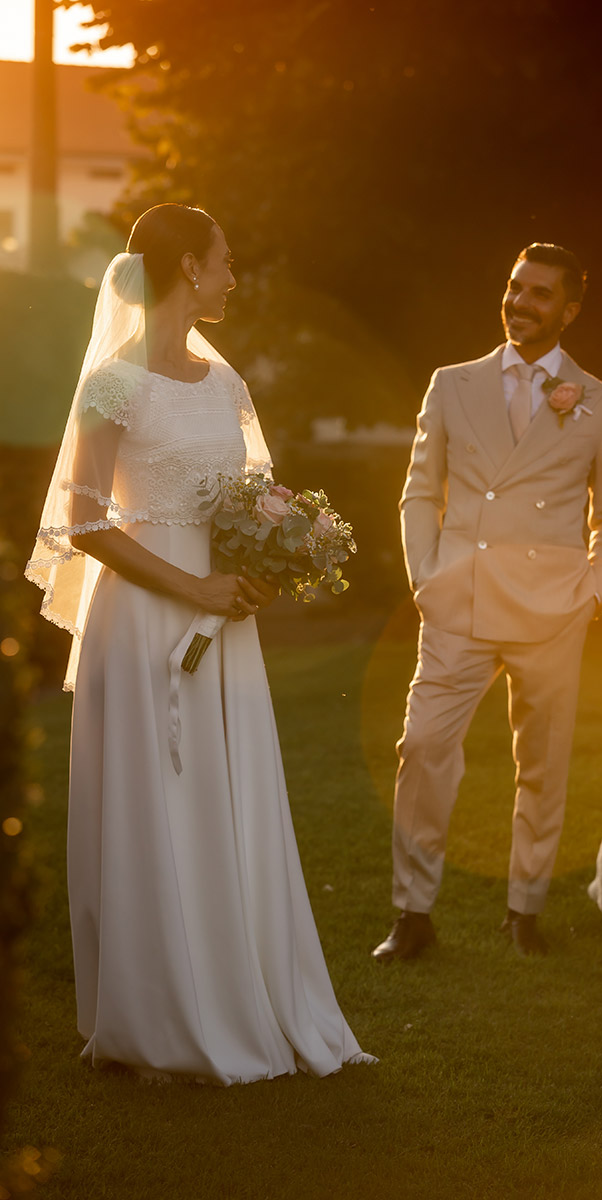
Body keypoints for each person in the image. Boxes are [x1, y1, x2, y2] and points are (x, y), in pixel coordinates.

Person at [26, 204, 374, 1082]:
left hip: (225, 618)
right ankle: (155, 1013)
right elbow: (85, 525)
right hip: (143, 616)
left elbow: (246, 500)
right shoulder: (111, 382)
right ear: (187, 267)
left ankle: (245, 986)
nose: (231, 276)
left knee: (228, 792)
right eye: (224, 262)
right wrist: (192, 587)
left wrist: (260, 567)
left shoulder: (226, 385)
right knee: (153, 798)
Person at [372, 242, 602, 961]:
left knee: (544, 762)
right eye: (515, 287)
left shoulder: (601, 403)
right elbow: (420, 490)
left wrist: (597, 588)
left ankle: (526, 910)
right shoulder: (451, 384)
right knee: (423, 747)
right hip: (460, 598)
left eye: (540, 293)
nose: (521, 302)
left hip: (554, 610)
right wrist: (426, 576)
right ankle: (413, 913)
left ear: (569, 309)